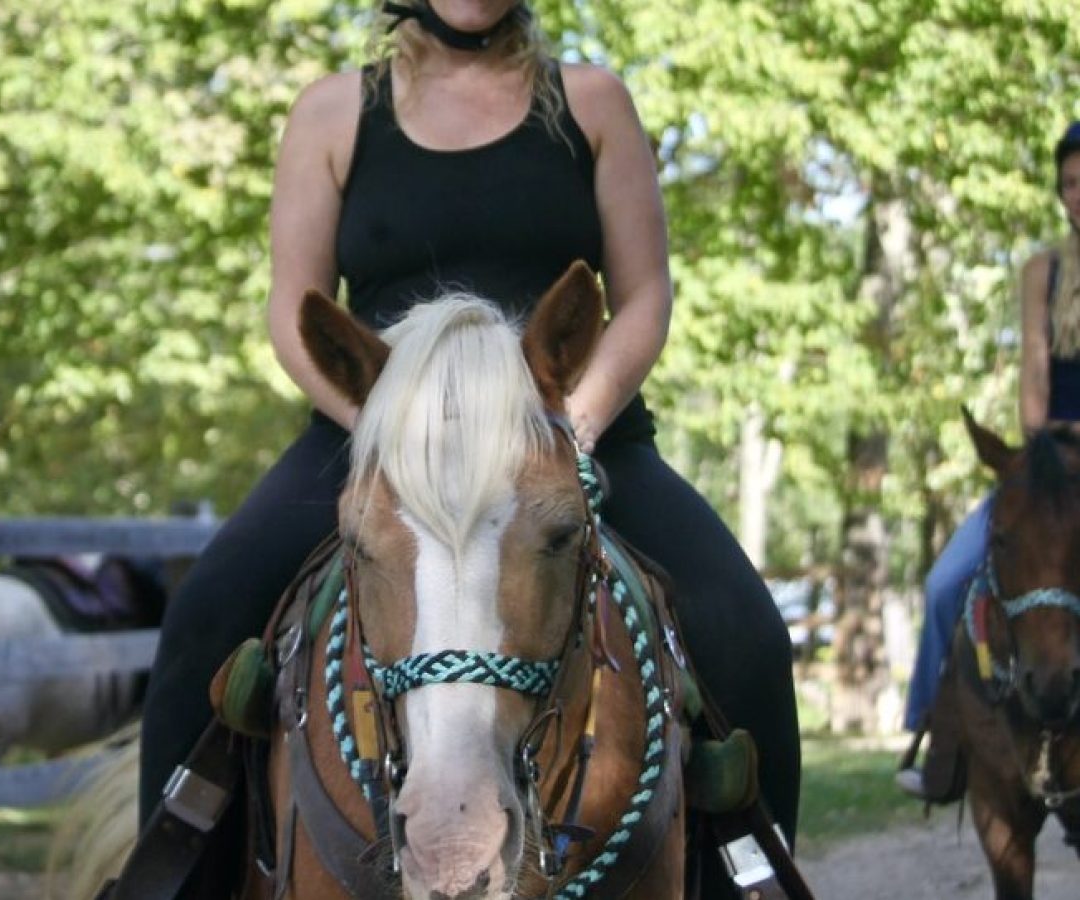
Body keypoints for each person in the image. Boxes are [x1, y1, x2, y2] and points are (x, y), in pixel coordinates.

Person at [139, 1, 801, 892]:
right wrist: (387, 431)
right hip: (375, 441)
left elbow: (643, 297)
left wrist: (573, 425)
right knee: (206, 617)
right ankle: (168, 880)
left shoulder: (593, 104)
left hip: (563, 437)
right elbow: (293, 308)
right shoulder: (333, 113)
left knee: (746, 629)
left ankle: (755, 879)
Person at [897, 119, 1080, 798]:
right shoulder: (1044, 269)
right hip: (1048, 467)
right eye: (1068, 182)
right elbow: (1034, 403)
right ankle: (931, 739)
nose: (1076, 193)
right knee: (947, 581)